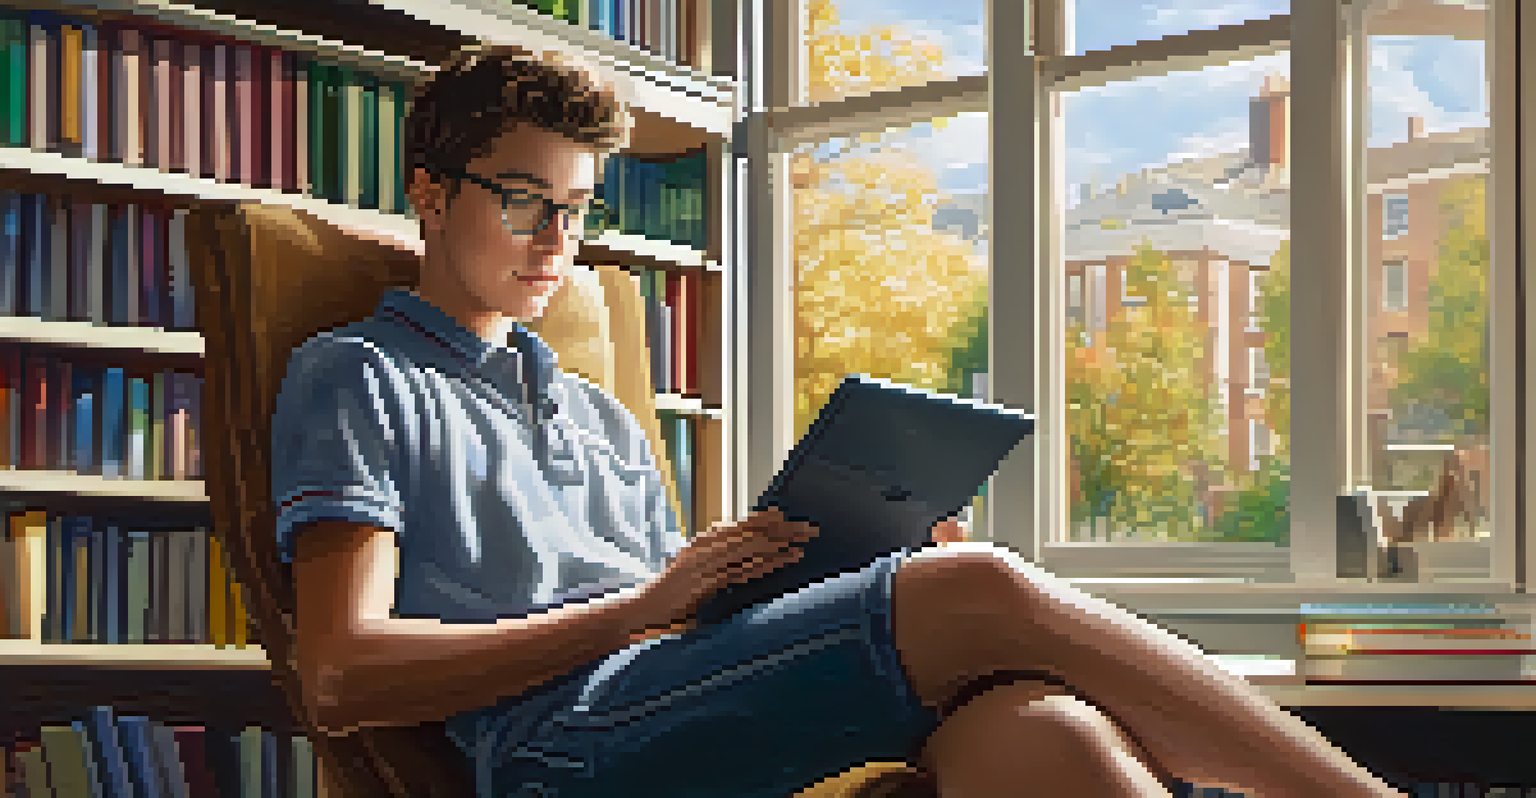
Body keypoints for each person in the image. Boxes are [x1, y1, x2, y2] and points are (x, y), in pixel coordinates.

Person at [271, 43, 1408, 798]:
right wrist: (649, 606)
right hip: (558, 749)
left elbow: (672, 626)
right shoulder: (358, 375)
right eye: (524, 200)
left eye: (575, 210)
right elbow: (340, 676)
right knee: (988, 592)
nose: (556, 242)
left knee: (1040, 728)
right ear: (429, 191)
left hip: (670, 696)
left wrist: (781, 580)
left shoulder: (598, 417)